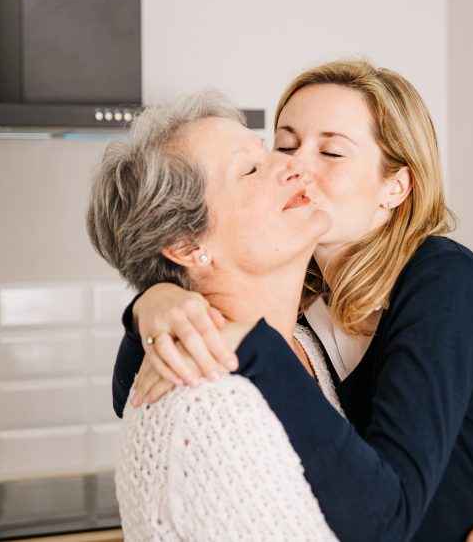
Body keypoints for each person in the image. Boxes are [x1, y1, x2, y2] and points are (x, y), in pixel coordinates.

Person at [112, 60, 473, 542]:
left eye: (332, 152)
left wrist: (255, 346)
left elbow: (393, 510)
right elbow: (132, 391)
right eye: (284, 145)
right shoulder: (300, 304)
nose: (296, 165)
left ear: (395, 187)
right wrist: (153, 300)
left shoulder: (444, 282)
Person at [86, 89, 340, 540]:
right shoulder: (208, 404)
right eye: (251, 170)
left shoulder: (308, 344)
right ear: (188, 246)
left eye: (270, 151)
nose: (298, 165)